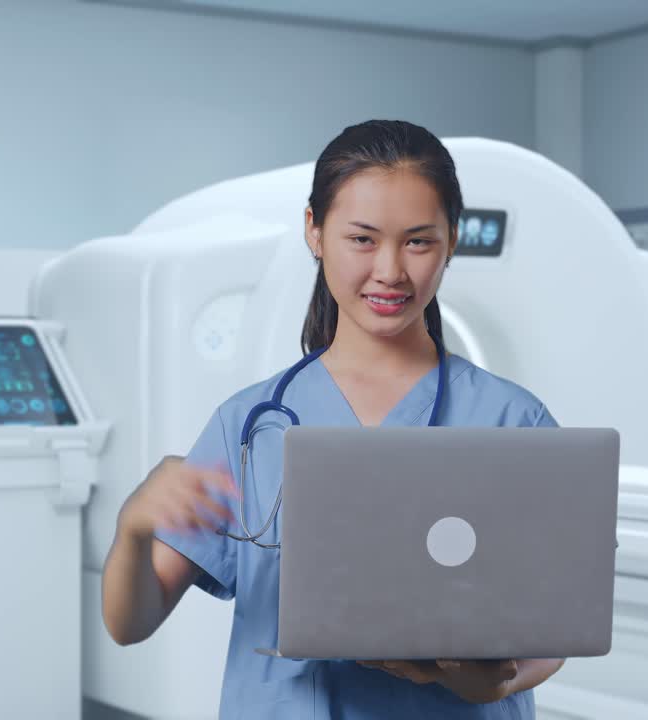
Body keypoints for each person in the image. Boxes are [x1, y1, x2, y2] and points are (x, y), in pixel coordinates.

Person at [101, 119, 565, 718]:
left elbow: (554, 623)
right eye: (362, 240)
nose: (391, 271)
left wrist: (493, 684)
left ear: (451, 241)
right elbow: (129, 623)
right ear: (314, 232)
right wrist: (135, 530)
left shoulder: (513, 421)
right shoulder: (248, 426)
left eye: (419, 241)